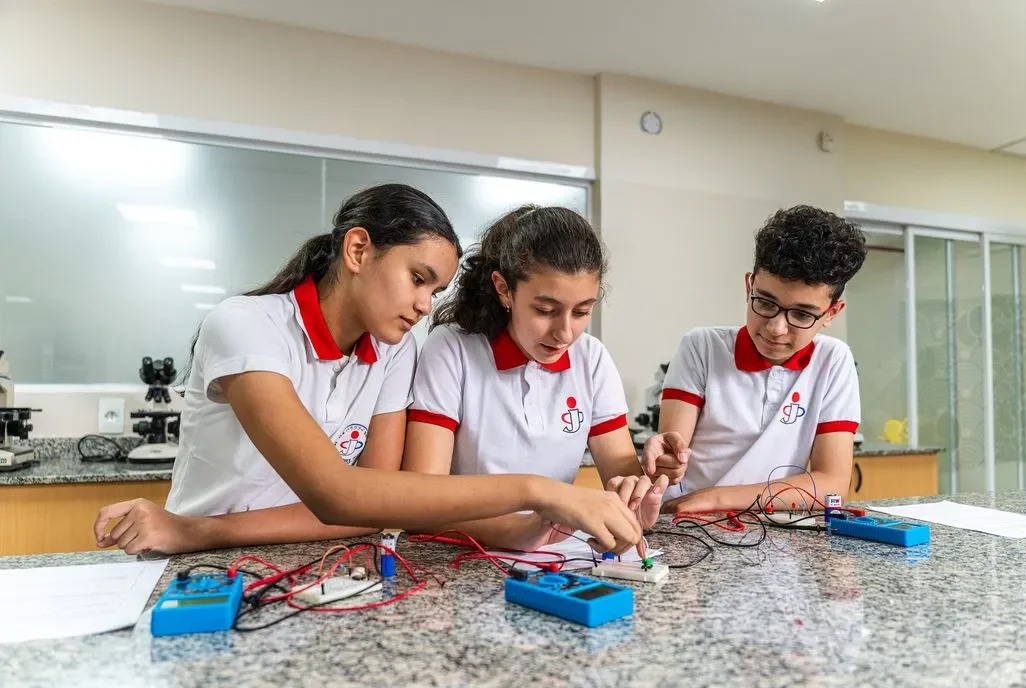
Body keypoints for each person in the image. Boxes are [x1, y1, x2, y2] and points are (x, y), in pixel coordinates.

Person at [93, 185, 641, 555]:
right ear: (358, 250)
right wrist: (541, 491)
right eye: (418, 279)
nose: (425, 305)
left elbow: (376, 502)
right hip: (201, 559)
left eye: (436, 291)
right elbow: (338, 494)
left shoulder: (394, 352)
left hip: (318, 561)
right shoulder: (245, 326)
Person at [402, 205, 666, 551]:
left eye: (582, 311)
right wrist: (514, 530)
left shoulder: (591, 359)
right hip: (463, 556)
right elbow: (418, 503)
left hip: (554, 554)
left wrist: (638, 499)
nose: (565, 333)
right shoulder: (452, 349)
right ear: (504, 289)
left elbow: (622, 474)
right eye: (545, 310)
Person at [644, 205, 867, 514]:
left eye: (802, 315)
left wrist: (715, 498)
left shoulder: (833, 361)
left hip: (763, 525)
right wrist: (666, 462)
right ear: (749, 286)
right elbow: (672, 456)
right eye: (764, 302)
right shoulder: (702, 347)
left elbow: (832, 484)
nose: (776, 328)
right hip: (688, 522)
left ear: (831, 313)